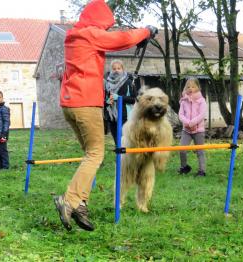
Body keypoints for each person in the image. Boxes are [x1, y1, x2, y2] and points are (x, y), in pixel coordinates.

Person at [53, 0, 158, 232]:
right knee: (95, 155)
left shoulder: (74, 35)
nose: (106, 30)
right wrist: (146, 31)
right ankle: (69, 200)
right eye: (105, 25)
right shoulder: (90, 34)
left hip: (69, 103)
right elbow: (121, 39)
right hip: (85, 103)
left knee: (90, 156)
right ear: (98, 20)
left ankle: (80, 204)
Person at [178, 78, 207, 177]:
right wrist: (187, 123)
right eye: (188, 86)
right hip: (186, 130)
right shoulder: (183, 101)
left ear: (198, 87)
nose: (191, 89)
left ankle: (202, 171)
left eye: (193, 86)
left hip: (198, 130)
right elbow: (181, 114)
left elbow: (202, 114)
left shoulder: (201, 100)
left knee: (200, 151)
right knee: (182, 149)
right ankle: (184, 167)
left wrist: (192, 123)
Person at [104, 59, 137, 144]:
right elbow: (103, 99)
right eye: (114, 69)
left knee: (124, 139)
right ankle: (118, 156)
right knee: (116, 139)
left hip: (124, 115)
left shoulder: (128, 82)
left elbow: (134, 99)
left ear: (122, 69)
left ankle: (125, 156)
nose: (116, 71)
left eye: (119, 68)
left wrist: (119, 97)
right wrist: (107, 101)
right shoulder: (107, 83)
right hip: (112, 116)